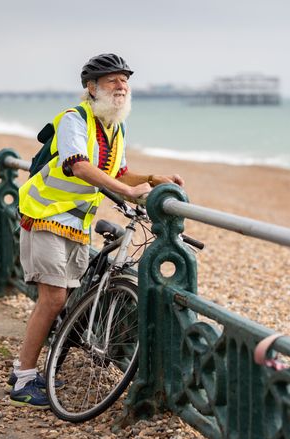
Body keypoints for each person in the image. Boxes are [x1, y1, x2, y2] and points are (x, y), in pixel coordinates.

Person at [9, 53, 184, 408]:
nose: (121, 87)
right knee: (54, 298)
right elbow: (78, 165)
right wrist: (127, 192)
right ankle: (23, 376)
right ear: (91, 88)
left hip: (76, 222)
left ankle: (41, 361)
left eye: (125, 81)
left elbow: (118, 173)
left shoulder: (114, 127)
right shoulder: (75, 119)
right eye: (112, 81)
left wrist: (151, 179)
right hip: (44, 214)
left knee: (65, 294)